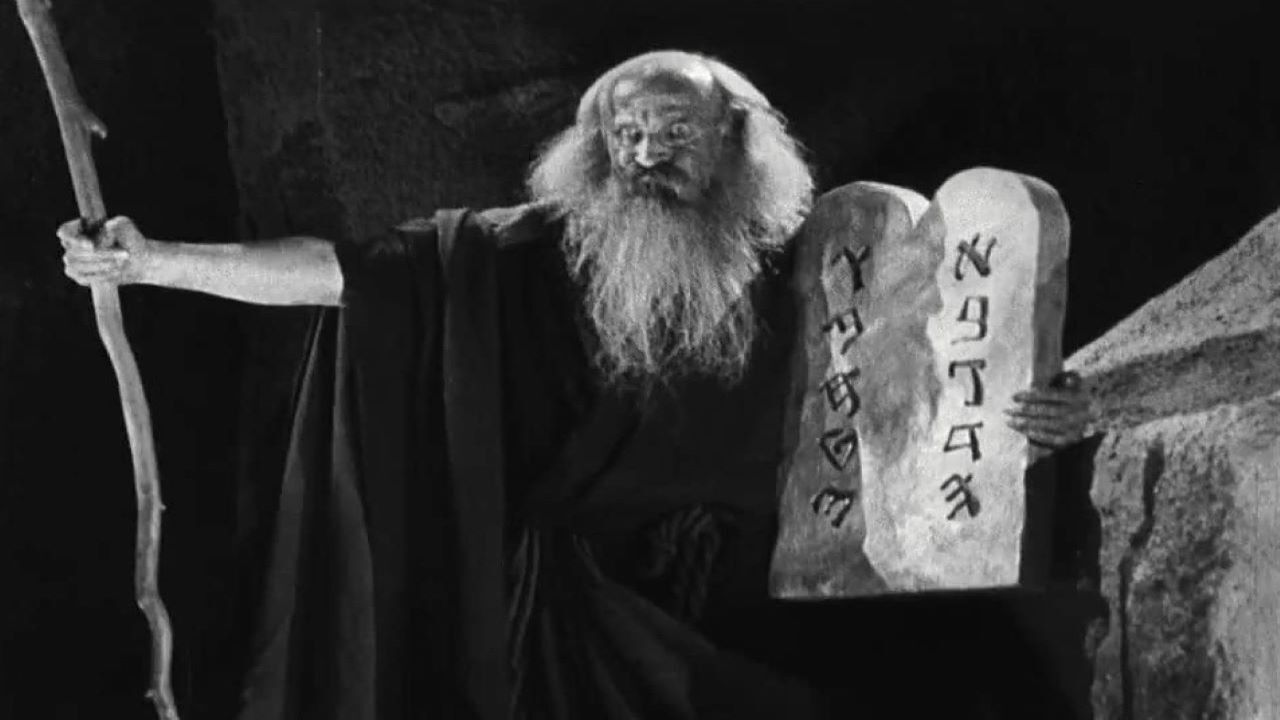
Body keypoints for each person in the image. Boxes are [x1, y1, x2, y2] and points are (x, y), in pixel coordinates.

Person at [60, 50, 1093, 720]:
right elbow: (345, 274)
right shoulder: (522, 254)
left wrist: (1045, 416)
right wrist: (153, 262)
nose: (644, 157)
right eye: (624, 137)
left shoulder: (825, 267)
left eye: (672, 135)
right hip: (571, 621)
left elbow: (953, 393)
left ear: (737, 142)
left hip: (777, 597)